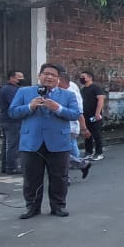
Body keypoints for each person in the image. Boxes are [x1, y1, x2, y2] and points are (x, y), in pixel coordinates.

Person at [10, 63, 82, 219]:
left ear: (58, 79)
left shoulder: (67, 95)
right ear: (39, 75)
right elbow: (12, 112)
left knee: (59, 177)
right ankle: (32, 207)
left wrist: (58, 108)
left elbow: (76, 114)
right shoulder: (24, 92)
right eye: (46, 74)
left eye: (53, 75)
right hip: (31, 141)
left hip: (58, 142)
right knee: (31, 177)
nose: (49, 77)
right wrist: (29, 107)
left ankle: (58, 206)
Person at [58, 69, 92, 178]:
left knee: (62, 152)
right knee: (67, 151)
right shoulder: (57, 91)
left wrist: (84, 128)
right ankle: (81, 164)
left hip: (70, 127)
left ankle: (66, 175)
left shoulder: (71, 94)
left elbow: (79, 113)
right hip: (61, 128)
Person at [0, 70, 25, 175]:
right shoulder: (11, 90)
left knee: (7, 144)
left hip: (6, 120)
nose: (21, 79)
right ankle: (12, 167)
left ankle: (6, 166)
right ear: (12, 78)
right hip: (12, 121)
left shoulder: (6, 89)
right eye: (19, 77)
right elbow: (15, 104)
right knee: (13, 144)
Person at [79, 71, 107, 161]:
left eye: (83, 77)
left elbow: (101, 100)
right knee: (87, 135)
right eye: (81, 77)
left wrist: (97, 113)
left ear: (90, 78)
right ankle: (88, 152)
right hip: (85, 115)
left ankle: (99, 153)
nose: (81, 78)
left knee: (96, 134)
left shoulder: (95, 88)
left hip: (95, 116)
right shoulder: (82, 90)